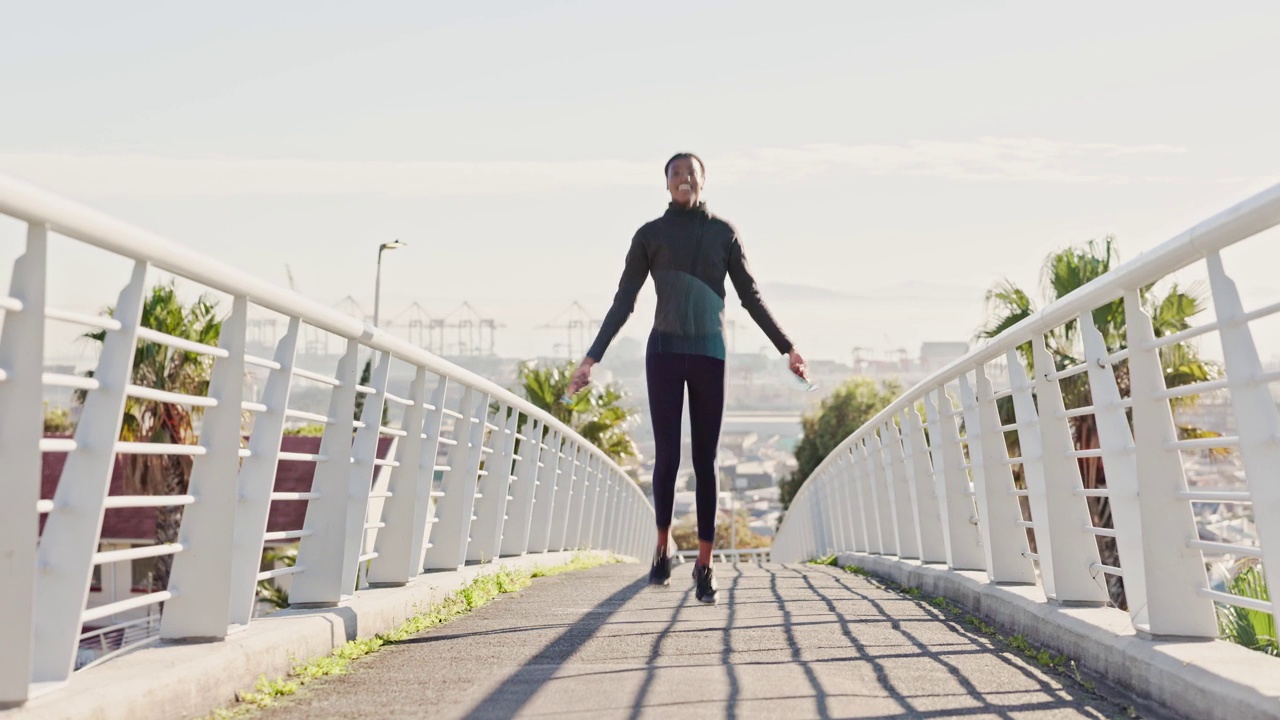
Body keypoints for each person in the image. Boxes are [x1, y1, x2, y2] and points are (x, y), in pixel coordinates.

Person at [566, 152, 809, 605]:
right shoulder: (650, 236)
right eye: (676, 173)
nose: (684, 178)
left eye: (691, 172)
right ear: (666, 183)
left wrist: (787, 347)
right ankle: (661, 549)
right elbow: (624, 302)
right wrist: (591, 358)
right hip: (663, 353)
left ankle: (704, 565)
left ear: (703, 181)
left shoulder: (723, 234)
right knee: (666, 459)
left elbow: (751, 297)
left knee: (705, 462)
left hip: (708, 356)